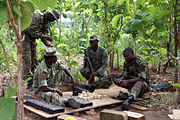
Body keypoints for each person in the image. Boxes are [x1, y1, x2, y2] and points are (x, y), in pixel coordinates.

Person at [82, 48, 150, 110]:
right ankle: (94, 85)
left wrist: (127, 81)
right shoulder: (127, 62)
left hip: (143, 85)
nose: (126, 58)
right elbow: (124, 74)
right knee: (113, 76)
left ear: (133, 54)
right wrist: (121, 79)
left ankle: (129, 100)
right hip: (130, 83)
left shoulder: (141, 63)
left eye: (127, 56)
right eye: (124, 57)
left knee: (139, 83)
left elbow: (141, 78)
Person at [22, 10, 61, 83]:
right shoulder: (37, 17)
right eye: (53, 18)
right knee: (27, 58)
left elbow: (44, 36)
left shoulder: (46, 23)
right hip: (25, 37)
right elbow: (31, 30)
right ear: (50, 14)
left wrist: (48, 43)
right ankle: (28, 79)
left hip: (32, 39)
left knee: (34, 58)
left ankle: (33, 76)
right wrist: (44, 36)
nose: (52, 20)